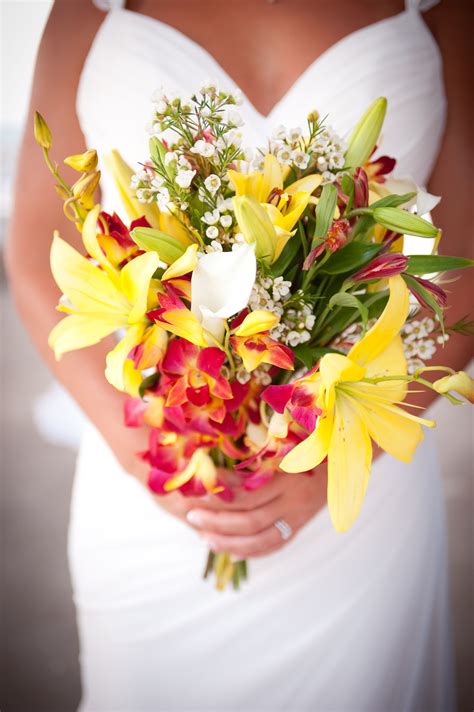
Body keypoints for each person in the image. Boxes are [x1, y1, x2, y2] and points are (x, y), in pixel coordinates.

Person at [6, 0, 472, 709]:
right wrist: (155, 453)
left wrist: (342, 459)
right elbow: (39, 249)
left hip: (355, 484)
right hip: (156, 487)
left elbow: (463, 265)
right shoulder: (86, 8)